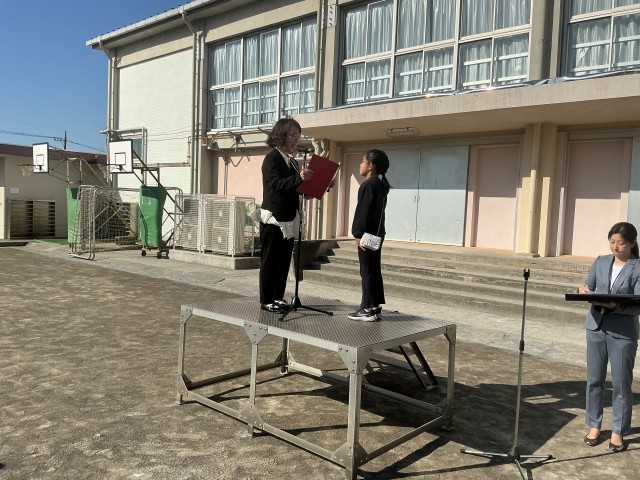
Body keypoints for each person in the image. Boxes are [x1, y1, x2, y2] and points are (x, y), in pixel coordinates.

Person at [578, 221, 640, 452]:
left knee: (621, 384)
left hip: (623, 332)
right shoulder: (601, 261)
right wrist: (583, 290)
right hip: (596, 327)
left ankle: (618, 431)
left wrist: (615, 306)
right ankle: (594, 425)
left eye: (621, 243)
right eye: (612, 242)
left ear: (632, 243)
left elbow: (638, 303)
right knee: (594, 379)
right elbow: (589, 285)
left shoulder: (637, 267)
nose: (615, 247)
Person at [258, 117, 313, 313]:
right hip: (274, 218)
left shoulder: (293, 163)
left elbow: (296, 189)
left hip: (289, 218)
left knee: (283, 262)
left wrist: (318, 187)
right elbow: (276, 185)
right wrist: (298, 178)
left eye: (298, 136)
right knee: (270, 261)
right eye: (292, 135)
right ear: (280, 135)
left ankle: (278, 297)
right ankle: (266, 300)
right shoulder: (271, 158)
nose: (296, 140)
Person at [349, 149, 391, 322]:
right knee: (373, 270)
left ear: (371, 165)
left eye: (363, 161)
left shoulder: (368, 185)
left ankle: (367, 309)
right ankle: (374, 306)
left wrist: (357, 234)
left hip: (367, 235)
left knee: (367, 271)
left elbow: (363, 213)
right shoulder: (380, 185)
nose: (360, 165)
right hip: (377, 234)